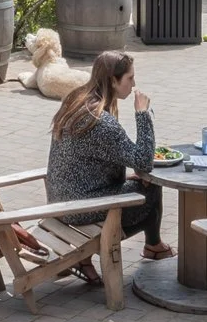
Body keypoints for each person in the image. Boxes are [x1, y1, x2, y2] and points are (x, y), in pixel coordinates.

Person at [46, 51, 173, 272]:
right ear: (113, 81)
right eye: (130, 78)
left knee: (139, 184)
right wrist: (142, 114)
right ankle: (154, 245)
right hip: (80, 208)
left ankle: (153, 245)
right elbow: (143, 162)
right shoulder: (100, 122)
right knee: (150, 187)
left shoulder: (76, 100)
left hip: (61, 200)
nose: (134, 84)